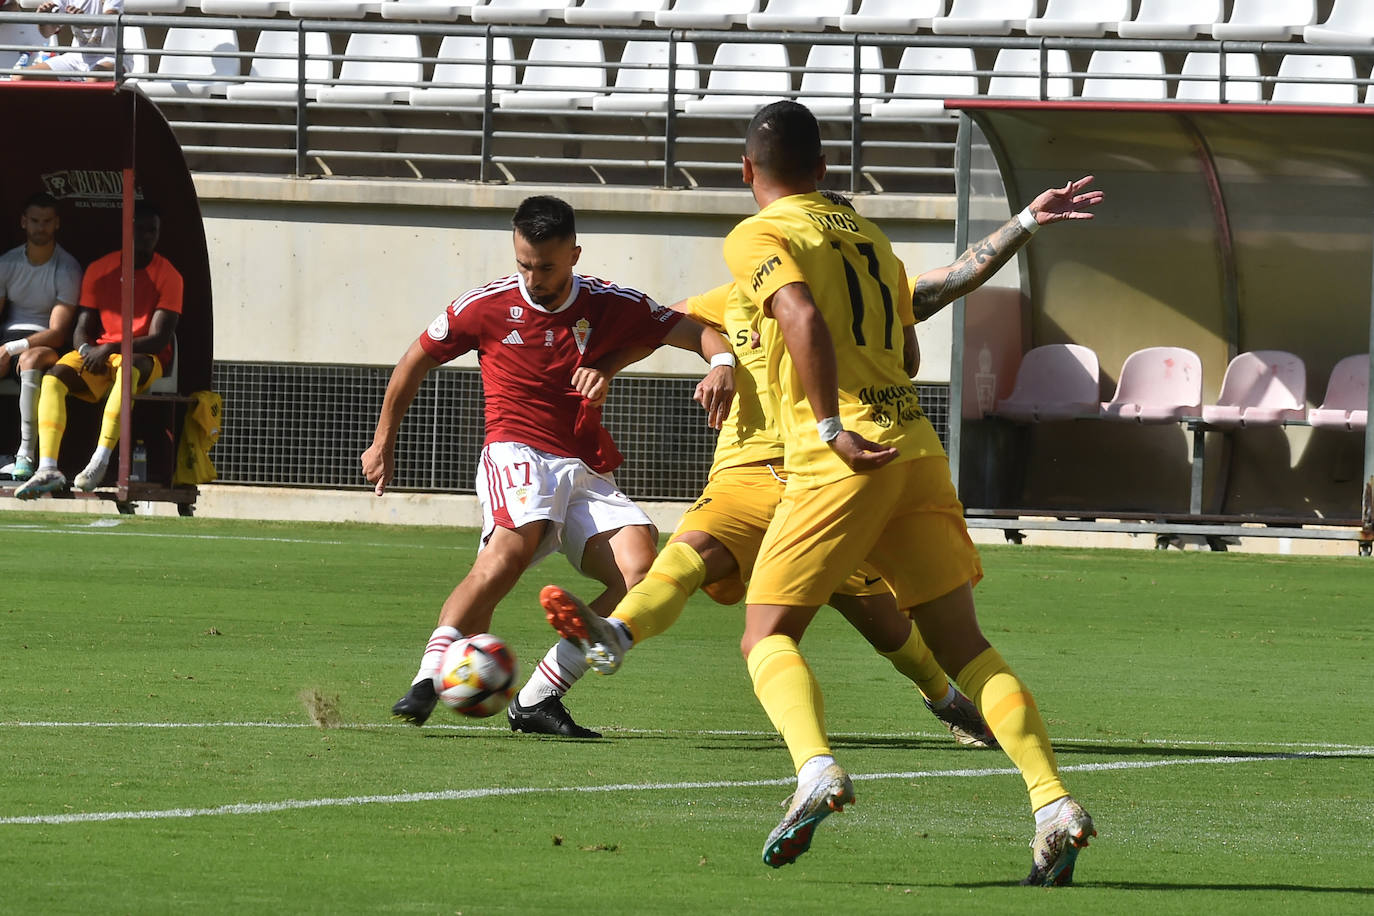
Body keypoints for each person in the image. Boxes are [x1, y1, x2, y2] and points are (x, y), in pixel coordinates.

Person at [721, 101, 1100, 884]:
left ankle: (816, 770)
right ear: (823, 171)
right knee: (967, 649)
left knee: (766, 636)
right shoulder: (867, 236)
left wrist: (826, 424)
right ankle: (1052, 801)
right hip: (916, 451)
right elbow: (929, 301)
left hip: (846, 456)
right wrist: (1025, 221)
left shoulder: (760, 235)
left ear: (747, 171)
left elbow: (799, 316)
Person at [538, 274, 999, 750]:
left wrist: (1025, 222)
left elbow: (937, 299)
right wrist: (662, 362)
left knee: (889, 630)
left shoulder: (854, 291)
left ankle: (943, 698)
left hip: (826, 480)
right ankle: (615, 633)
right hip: (746, 474)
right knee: (684, 556)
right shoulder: (729, 297)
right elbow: (654, 325)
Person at [362, 195, 734, 737]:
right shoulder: (484, 306)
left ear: (575, 255)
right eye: (524, 264)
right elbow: (415, 358)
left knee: (641, 574)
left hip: (583, 466)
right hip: (516, 450)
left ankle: (537, 697)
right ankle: (426, 677)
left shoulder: (610, 303)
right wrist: (383, 442)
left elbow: (691, 329)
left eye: (547, 266)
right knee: (507, 555)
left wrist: (721, 363)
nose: (533, 278)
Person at [15, 199, 182, 498]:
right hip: (102, 351)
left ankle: (99, 460)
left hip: (146, 356)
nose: (146, 236)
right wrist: (84, 350)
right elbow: (81, 326)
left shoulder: (169, 275)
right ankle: (47, 467)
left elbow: (159, 339)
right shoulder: (100, 268)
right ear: (126, 232)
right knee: (53, 377)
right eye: (140, 230)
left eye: (152, 231)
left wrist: (111, 348)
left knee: (129, 369)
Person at [0, 191, 81, 481]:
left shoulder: (68, 267)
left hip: (42, 345)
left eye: (47, 221)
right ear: (24, 222)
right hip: (6, 342)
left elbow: (58, 334)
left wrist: (11, 348)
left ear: (57, 223)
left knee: (31, 358)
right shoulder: (7, 263)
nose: (40, 227)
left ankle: (25, 455)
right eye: (35, 220)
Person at [12, 0, 127, 81]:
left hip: (112, 57)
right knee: (20, 77)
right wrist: (43, 19)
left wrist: (85, 22)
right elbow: (47, 32)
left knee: (94, 79)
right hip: (76, 58)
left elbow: (110, 17)